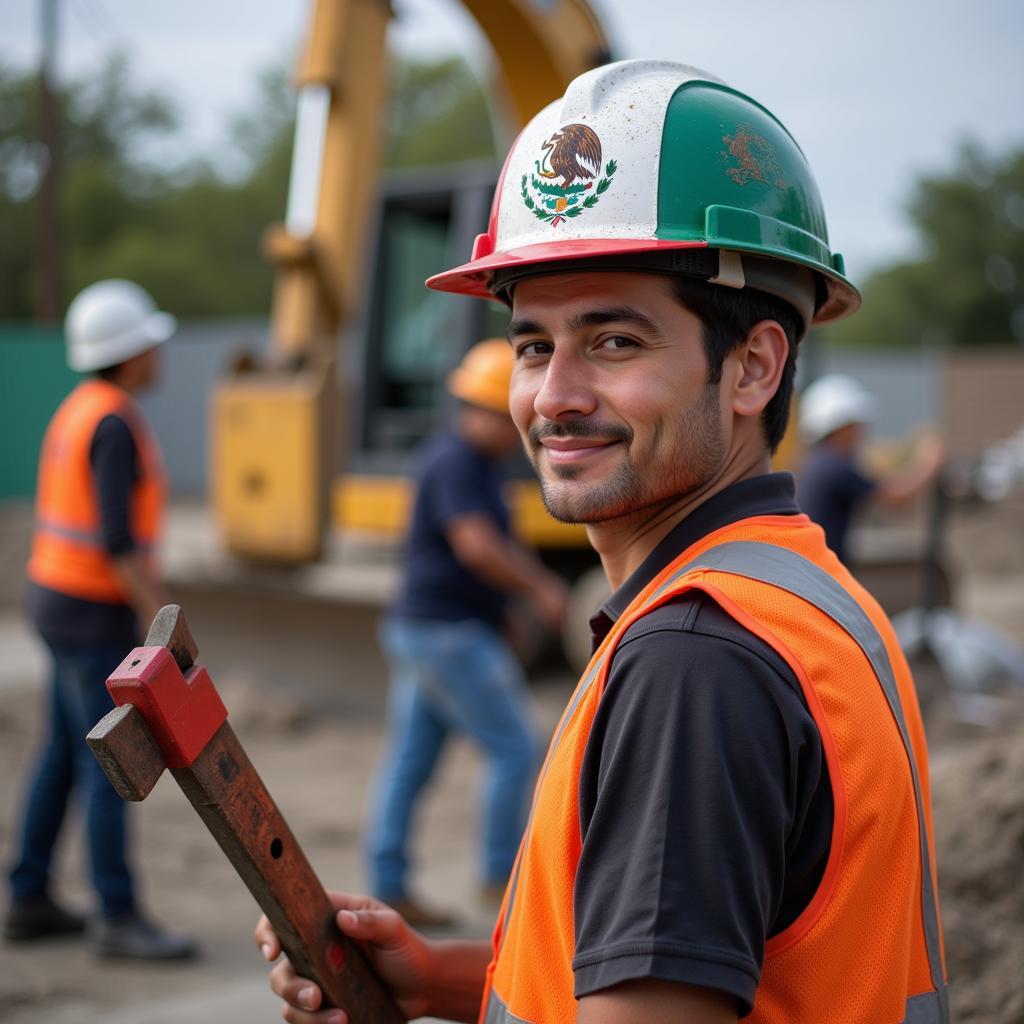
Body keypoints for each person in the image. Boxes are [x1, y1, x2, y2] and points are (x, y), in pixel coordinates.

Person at [257, 59, 948, 1022]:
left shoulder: (695, 663)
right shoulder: (802, 588)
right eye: (534, 345)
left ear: (753, 367)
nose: (555, 396)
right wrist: (445, 980)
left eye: (615, 341)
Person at [4, 279, 197, 960]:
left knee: (63, 749)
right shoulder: (113, 421)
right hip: (91, 612)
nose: (160, 352)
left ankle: (28, 895)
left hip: (55, 600)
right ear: (130, 351)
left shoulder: (80, 408)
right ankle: (118, 916)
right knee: (109, 764)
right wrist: (159, 621)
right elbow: (117, 543)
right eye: (152, 341)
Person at [365, 338, 569, 927]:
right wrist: (540, 589)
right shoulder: (455, 461)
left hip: (431, 628)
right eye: (511, 414)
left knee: (410, 761)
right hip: (444, 633)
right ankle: (501, 882)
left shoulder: (473, 464)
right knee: (515, 747)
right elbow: (476, 547)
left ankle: (388, 883)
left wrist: (501, 609)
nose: (521, 427)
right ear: (483, 409)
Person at [796, 373, 945, 564]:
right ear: (840, 426)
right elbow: (897, 498)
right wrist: (930, 462)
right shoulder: (835, 467)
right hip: (824, 576)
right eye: (856, 424)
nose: (861, 431)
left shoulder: (817, 463)